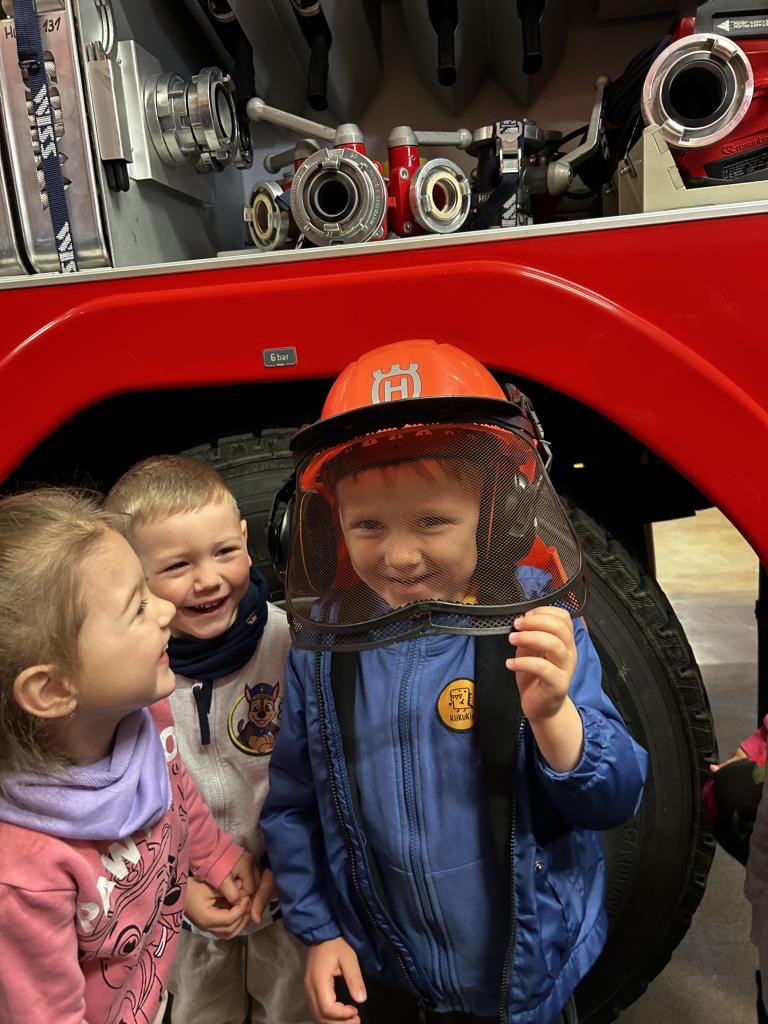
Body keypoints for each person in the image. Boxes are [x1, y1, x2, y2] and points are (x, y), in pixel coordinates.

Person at [261, 339, 649, 1024]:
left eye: (433, 520)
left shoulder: (537, 625)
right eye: (367, 525)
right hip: (390, 973)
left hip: (528, 974)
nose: (399, 555)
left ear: (498, 514)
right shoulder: (322, 651)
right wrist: (318, 931)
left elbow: (615, 796)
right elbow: (294, 805)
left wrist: (556, 717)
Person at [0, 488, 255, 1024]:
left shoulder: (146, 717)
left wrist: (210, 860)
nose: (165, 609)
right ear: (52, 689)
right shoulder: (23, 875)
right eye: (137, 607)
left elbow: (178, 796)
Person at [105, 456, 310, 1024]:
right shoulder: (125, 679)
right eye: (178, 565)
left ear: (246, 537)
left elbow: (323, 770)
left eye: (224, 551)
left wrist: (293, 870)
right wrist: (179, 888)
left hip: (287, 897)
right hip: (185, 911)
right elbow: (122, 804)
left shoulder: (292, 645)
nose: (209, 579)